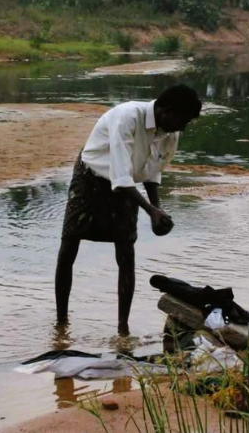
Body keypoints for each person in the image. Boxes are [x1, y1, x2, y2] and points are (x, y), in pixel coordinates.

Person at [55, 84, 202, 336]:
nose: (183, 127)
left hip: (126, 185)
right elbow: (120, 178)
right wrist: (150, 211)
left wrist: (157, 208)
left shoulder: (169, 132)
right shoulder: (127, 118)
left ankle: (123, 329)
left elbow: (152, 172)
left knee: (126, 251)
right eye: (183, 119)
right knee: (70, 244)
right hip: (90, 177)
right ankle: (61, 323)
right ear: (167, 111)